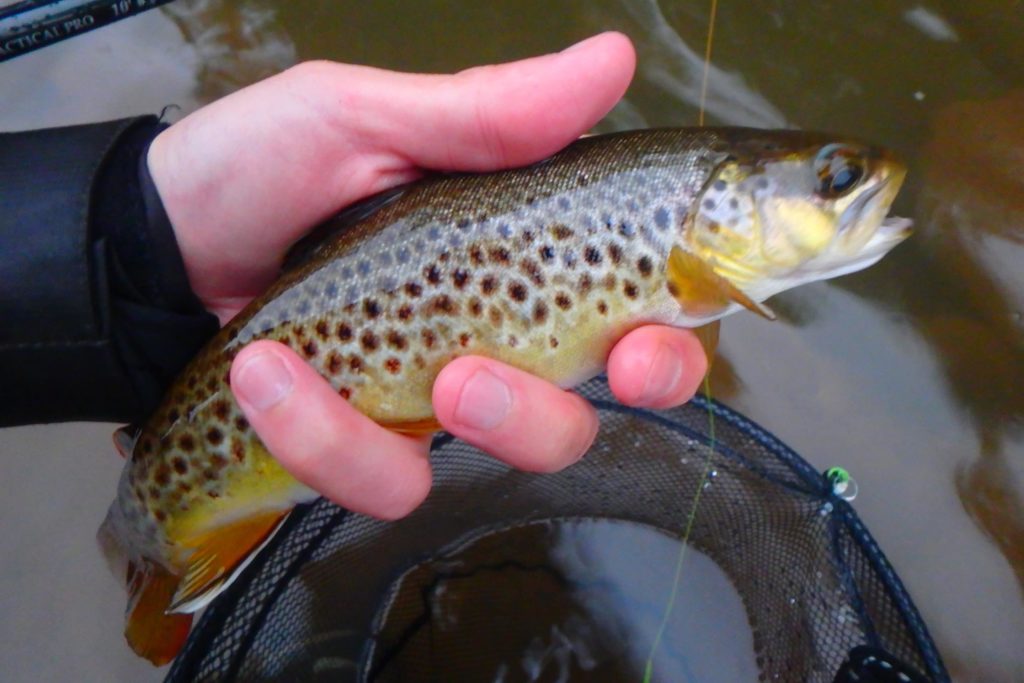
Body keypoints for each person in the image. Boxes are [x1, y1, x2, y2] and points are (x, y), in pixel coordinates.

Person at [0, 32, 707, 519]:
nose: (828, 202)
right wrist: (136, 236)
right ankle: (157, 525)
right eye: (826, 183)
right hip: (198, 414)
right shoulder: (690, 243)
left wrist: (139, 237)